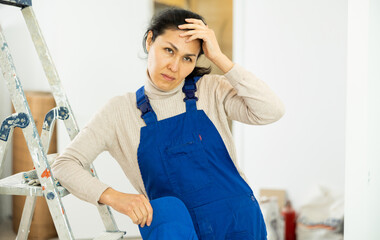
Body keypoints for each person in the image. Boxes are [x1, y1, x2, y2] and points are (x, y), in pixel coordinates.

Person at [52, 8, 285, 239]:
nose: (175, 67)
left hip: (239, 224)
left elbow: (271, 111)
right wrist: (115, 197)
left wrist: (219, 58)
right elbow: (65, 164)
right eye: (168, 50)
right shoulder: (119, 111)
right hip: (175, 231)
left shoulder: (212, 90)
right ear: (150, 40)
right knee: (167, 210)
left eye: (187, 58)